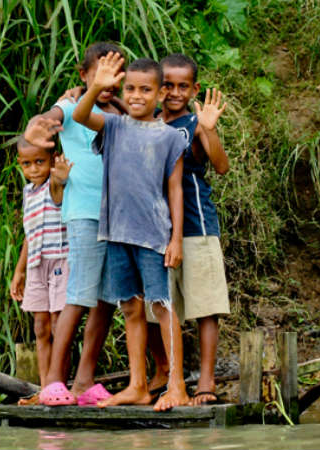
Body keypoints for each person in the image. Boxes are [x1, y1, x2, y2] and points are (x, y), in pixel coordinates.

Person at [72, 52, 189, 411]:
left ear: (159, 94)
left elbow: (175, 189)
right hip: (116, 234)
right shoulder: (113, 126)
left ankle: (177, 386)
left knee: (162, 307)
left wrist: (175, 239)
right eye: (130, 89)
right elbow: (79, 115)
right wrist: (97, 87)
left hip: (153, 236)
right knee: (131, 310)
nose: (136, 96)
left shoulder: (170, 137)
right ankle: (138, 384)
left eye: (145, 90)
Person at [22, 42, 126, 406]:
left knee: (105, 301)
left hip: (117, 215)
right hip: (84, 212)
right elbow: (46, 119)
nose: (110, 82)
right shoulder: (69, 106)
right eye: (100, 74)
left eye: (117, 75)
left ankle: (83, 382)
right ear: (83, 76)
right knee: (79, 294)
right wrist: (36, 129)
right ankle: (53, 381)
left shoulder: (120, 111)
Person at [147, 53, 231, 406]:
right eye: (168, 85)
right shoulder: (147, 122)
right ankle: (163, 371)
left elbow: (222, 166)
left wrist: (208, 128)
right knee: (155, 306)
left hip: (197, 227)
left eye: (183, 86)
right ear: (156, 87)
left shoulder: (195, 123)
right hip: (153, 232)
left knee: (204, 305)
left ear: (194, 88)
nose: (175, 92)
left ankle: (206, 382)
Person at [10, 137, 71, 391]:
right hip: (36, 263)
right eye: (27, 164)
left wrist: (60, 175)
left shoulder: (53, 185)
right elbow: (29, 234)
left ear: (52, 159)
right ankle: (46, 386)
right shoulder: (28, 192)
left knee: (59, 324)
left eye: (39, 162)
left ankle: (60, 384)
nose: (34, 169)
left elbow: (58, 189)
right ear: (19, 164)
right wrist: (19, 271)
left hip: (59, 259)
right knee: (40, 327)